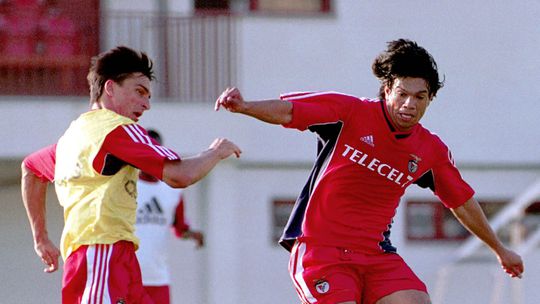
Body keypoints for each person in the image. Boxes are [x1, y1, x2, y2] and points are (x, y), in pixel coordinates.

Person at [215, 39, 524, 304]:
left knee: (417, 301)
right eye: (402, 93)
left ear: (430, 99)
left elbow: (461, 202)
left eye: (420, 97)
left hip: (376, 255)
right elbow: (289, 110)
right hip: (320, 251)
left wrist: (499, 248)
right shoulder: (349, 113)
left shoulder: (430, 150)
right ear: (386, 90)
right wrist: (245, 106)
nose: (409, 104)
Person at [21, 46, 241, 304]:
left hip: (102, 257)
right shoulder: (119, 129)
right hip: (104, 255)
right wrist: (216, 151)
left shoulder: (72, 137)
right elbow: (180, 175)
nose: (146, 104)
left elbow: (31, 169)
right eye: (139, 92)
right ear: (110, 88)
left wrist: (41, 238)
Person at [135, 129, 204, 304]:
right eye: (146, 149)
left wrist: (192, 234)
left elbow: (179, 228)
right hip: (126, 275)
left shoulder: (172, 190)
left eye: (155, 150)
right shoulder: (125, 185)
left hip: (157, 277)